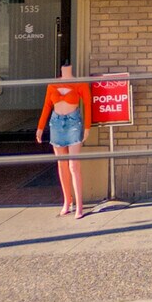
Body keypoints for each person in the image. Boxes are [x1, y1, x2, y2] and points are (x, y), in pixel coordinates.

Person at [37, 65, 93, 218]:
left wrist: (87, 126)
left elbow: (88, 104)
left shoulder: (80, 83)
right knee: (62, 165)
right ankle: (67, 201)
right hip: (56, 123)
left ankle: (80, 205)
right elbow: (47, 105)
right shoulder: (52, 84)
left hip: (73, 123)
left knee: (74, 165)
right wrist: (40, 127)